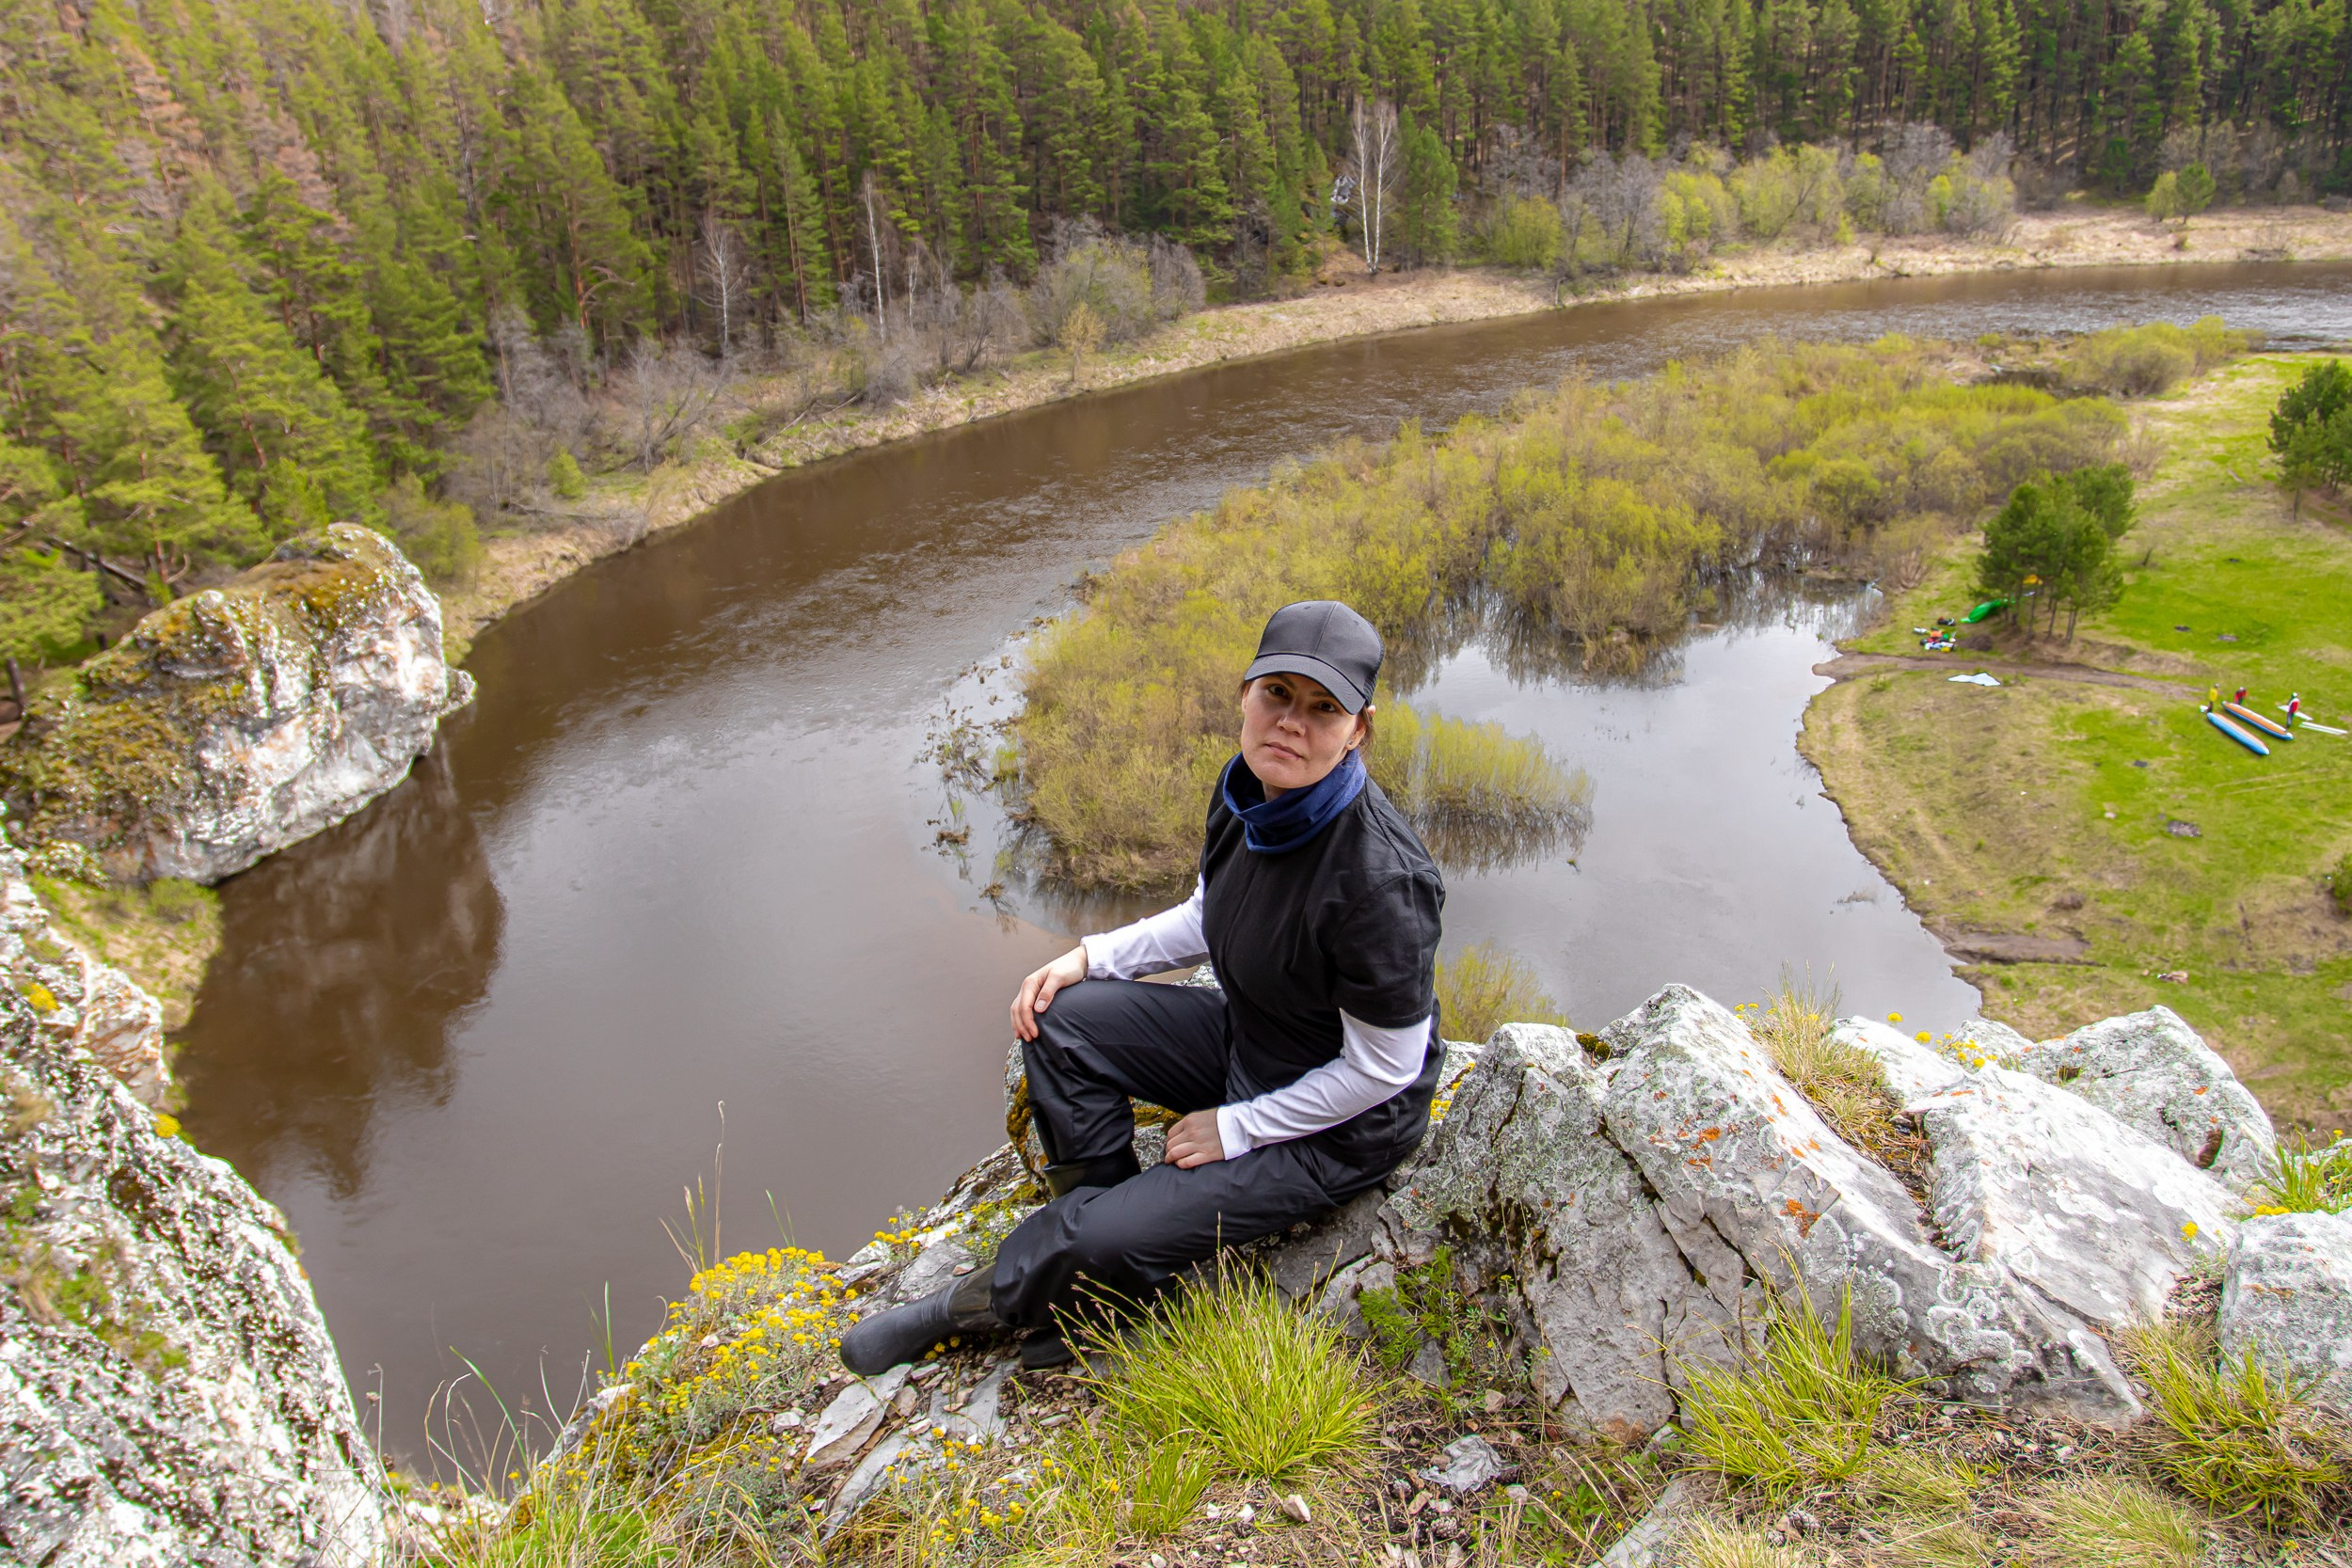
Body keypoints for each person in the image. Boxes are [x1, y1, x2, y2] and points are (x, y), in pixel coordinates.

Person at [841, 600, 1447, 1374]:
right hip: (1257, 1035)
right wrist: (1089, 956)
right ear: (1244, 694)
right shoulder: (1248, 797)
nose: (1293, 722)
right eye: (1278, 694)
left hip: (1337, 1127)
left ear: (1359, 728)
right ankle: (1123, 1274)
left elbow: (1384, 1070)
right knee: (1060, 1019)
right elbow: (1210, 914)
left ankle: (989, 1296)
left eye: (1324, 707)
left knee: (1093, 1235)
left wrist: (1241, 1128)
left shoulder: (1381, 881)